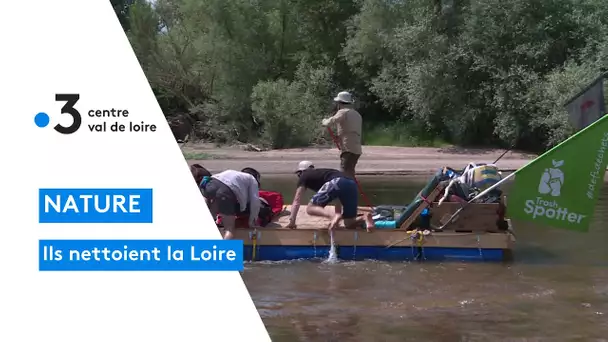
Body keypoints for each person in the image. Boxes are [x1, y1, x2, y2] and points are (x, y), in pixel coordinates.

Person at [287, 161, 375, 231]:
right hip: (351, 183)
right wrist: (337, 216)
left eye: (298, 174)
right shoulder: (324, 173)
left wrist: (292, 221)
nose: (299, 176)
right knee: (349, 223)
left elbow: (297, 200)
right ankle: (364, 217)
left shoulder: (304, 175)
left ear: (301, 172)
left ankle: (332, 216)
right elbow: (338, 200)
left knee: (310, 208)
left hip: (337, 181)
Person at [200, 169, 261, 240]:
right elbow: (255, 203)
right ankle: (223, 250)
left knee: (214, 207)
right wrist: (251, 222)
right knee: (229, 229)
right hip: (225, 191)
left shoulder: (234, 175)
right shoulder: (252, 179)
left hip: (209, 184)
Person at [321, 91, 362, 179]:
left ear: (340, 103)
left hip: (347, 147)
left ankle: (345, 190)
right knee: (350, 171)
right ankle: (352, 190)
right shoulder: (356, 114)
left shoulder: (343, 112)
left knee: (344, 171)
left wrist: (324, 121)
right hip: (357, 148)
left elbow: (331, 121)